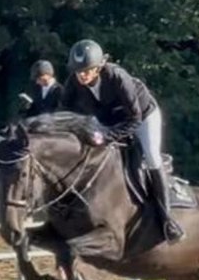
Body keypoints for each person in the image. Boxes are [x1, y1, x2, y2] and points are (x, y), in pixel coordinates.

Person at [59, 39, 183, 243]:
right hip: (109, 118)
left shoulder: (117, 77)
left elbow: (133, 119)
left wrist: (106, 136)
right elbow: (63, 112)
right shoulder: (73, 82)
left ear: (99, 67)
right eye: (78, 70)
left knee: (151, 156)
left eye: (87, 70)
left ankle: (166, 219)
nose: (82, 75)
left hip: (142, 115)